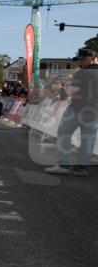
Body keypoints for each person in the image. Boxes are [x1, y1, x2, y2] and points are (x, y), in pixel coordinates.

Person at [45, 47, 98, 177]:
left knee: (64, 133)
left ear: (93, 58)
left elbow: (71, 91)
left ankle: (63, 165)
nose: (81, 61)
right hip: (95, 112)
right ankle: (80, 168)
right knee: (88, 140)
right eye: (79, 59)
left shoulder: (83, 73)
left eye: (83, 58)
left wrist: (63, 88)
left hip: (77, 109)